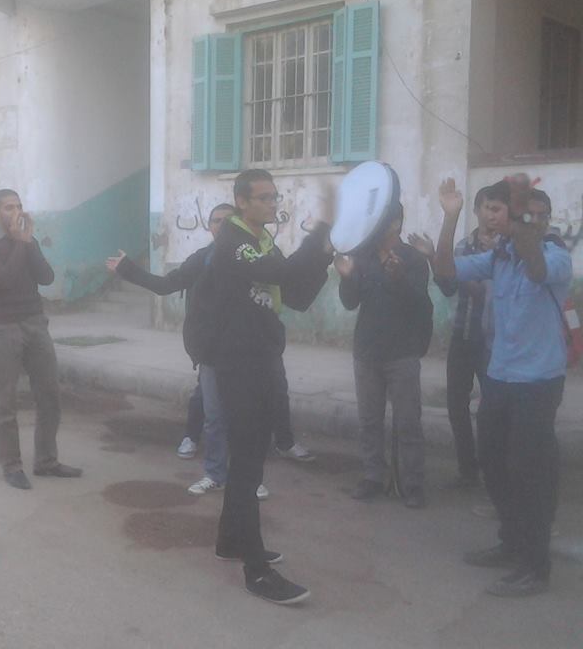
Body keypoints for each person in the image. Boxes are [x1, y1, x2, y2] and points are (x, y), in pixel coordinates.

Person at [435, 177, 571, 597]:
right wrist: (451, 217)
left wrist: (521, 212)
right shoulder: (499, 258)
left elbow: (537, 267)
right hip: (500, 376)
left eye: (538, 216)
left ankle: (535, 566)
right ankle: (511, 542)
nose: (533, 221)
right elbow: (446, 271)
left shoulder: (555, 256)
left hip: (539, 381)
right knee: (492, 461)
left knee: (529, 472)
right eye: (527, 214)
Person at [210, 169, 333, 604]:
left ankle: (230, 541)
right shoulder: (234, 242)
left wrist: (324, 256)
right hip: (239, 365)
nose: (271, 204)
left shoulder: (262, 241)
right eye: (262, 198)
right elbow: (279, 270)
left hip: (262, 359)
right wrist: (321, 229)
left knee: (250, 458)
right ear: (241, 202)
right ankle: (256, 572)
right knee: (247, 465)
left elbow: (295, 293)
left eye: (274, 197)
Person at [106, 204, 258, 497]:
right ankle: (215, 474)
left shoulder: (252, 258)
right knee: (214, 418)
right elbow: (166, 285)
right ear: (209, 227)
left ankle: (250, 478)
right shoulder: (201, 259)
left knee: (245, 417)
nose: (221, 225)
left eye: (228, 220)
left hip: (246, 351)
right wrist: (128, 269)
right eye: (216, 221)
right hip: (212, 352)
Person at [0, 189, 81, 489]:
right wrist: (21, 244)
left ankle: (46, 460)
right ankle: (11, 465)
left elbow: (46, 277)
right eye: (9, 207)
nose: (16, 212)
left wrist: (29, 243)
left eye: (19, 206)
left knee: (50, 394)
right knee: (6, 401)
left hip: (35, 322)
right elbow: (4, 280)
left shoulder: (27, 241)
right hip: (3, 327)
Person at [410, 183, 509, 488]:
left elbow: (485, 292)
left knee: (494, 410)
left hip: (495, 343)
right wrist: (432, 257)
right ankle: (468, 470)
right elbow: (448, 286)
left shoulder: (510, 249)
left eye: (497, 209)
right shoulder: (464, 246)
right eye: (487, 208)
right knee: (456, 406)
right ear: (476, 210)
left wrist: (472, 272)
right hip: (464, 335)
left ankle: (495, 472)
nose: (491, 215)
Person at [337, 202, 432, 509]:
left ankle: (412, 483)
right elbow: (350, 302)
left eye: (382, 219)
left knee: (408, 422)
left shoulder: (413, 258)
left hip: (402, 352)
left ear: (396, 223)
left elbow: (419, 303)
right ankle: (372, 476)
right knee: (369, 420)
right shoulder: (362, 257)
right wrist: (346, 277)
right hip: (367, 351)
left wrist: (399, 278)